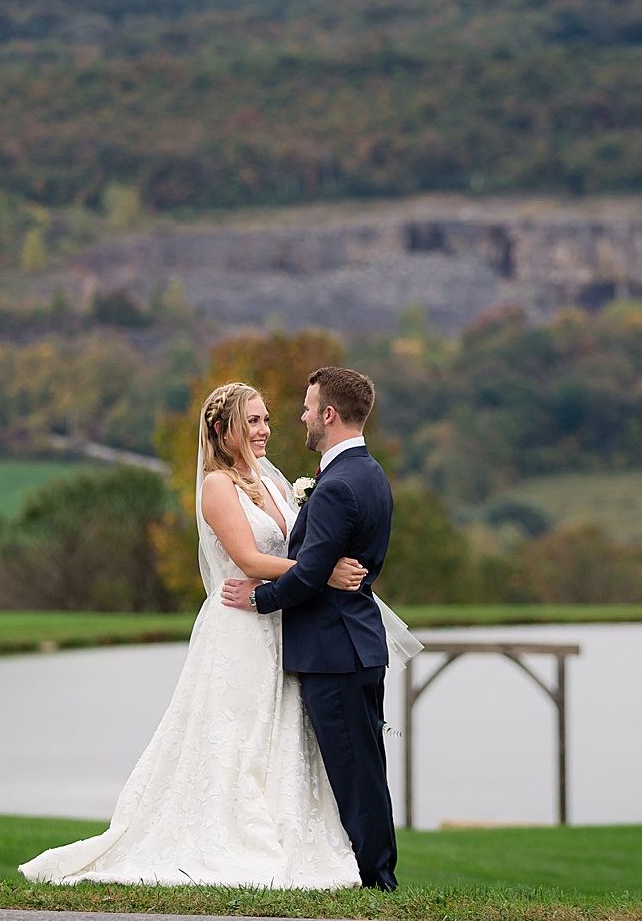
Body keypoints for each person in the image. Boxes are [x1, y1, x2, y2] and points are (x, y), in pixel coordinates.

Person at [19, 381, 369, 887]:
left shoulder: (272, 483)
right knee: (236, 735)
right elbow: (247, 560)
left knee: (282, 731)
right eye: (253, 421)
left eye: (267, 418)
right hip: (240, 627)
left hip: (279, 621)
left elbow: (295, 547)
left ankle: (287, 829)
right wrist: (323, 572)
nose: (266, 429)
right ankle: (230, 835)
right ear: (222, 430)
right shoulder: (217, 486)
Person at [221, 366, 399, 892]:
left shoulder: (337, 486)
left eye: (305, 407)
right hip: (355, 642)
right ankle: (375, 872)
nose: (299, 416)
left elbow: (309, 573)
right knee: (364, 765)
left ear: (328, 414)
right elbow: (325, 566)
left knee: (353, 771)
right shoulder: (369, 473)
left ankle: (376, 880)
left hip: (334, 650)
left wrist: (260, 599)